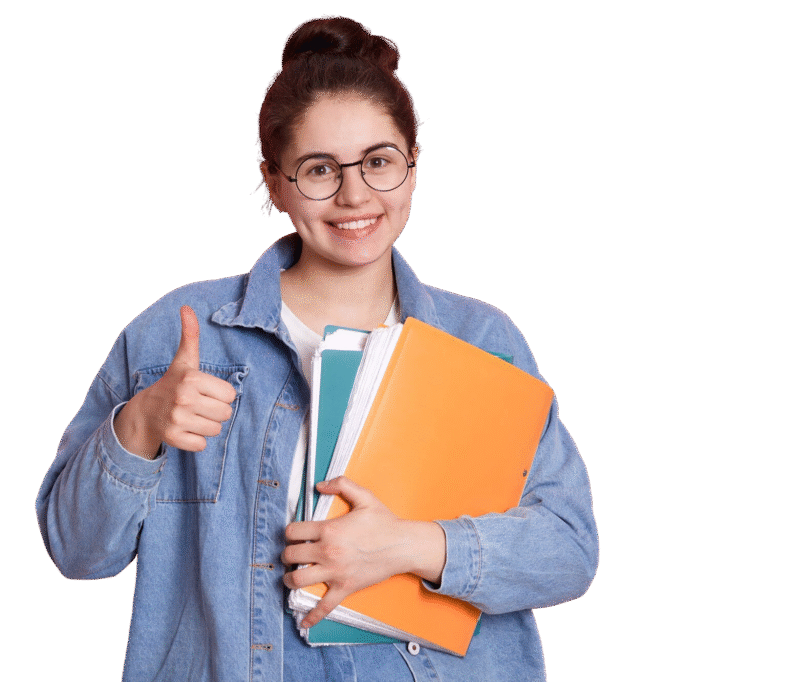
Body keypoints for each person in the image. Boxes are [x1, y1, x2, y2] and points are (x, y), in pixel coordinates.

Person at [36, 16, 597, 682]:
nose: (355, 194)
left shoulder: (482, 342)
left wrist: (412, 546)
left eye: (379, 162)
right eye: (319, 169)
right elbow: (75, 551)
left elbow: (569, 547)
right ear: (275, 184)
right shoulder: (177, 333)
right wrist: (139, 425)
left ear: (414, 168)